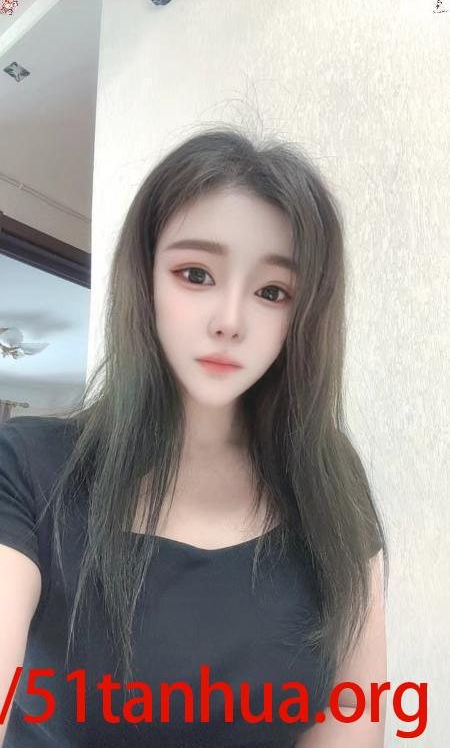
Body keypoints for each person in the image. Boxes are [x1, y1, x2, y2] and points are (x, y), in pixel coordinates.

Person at [0, 125, 388, 748]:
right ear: (145, 277)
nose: (230, 321)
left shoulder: (330, 477)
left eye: (272, 291)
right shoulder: (29, 465)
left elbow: (354, 706)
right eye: (196, 274)